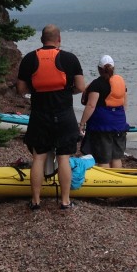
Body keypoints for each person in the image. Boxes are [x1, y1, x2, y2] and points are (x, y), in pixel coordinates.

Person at [15, 24, 85, 210]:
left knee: (39, 157)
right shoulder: (70, 59)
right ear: (59, 39)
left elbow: (21, 90)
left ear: (41, 40)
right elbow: (80, 86)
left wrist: (37, 89)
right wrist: (66, 90)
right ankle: (65, 201)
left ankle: (36, 201)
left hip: (40, 115)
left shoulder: (29, 59)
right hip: (64, 115)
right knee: (63, 158)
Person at [78, 55, 130, 168]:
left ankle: (107, 183)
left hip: (102, 126)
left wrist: (82, 124)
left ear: (99, 69)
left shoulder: (97, 84)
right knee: (116, 158)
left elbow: (91, 105)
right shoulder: (121, 82)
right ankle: (117, 181)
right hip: (120, 124)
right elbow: (125, 104)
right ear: (113, 68)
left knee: (103, 158)